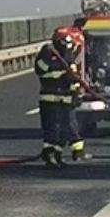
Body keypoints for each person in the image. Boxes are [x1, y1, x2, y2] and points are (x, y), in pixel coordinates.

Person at [35, 27, 87, 168]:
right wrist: (63, 74)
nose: (76, 49)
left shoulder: (67, 56)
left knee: (64, 129)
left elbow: (73, 78)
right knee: (53, 128)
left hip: (65, 99)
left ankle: (57, 156)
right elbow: (41, 71)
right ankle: (51, 155)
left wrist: (76, 92)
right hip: (51, 99)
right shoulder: (47, 53)